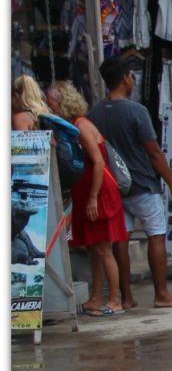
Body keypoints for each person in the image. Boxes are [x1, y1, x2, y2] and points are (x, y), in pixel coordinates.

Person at [88, 55, 172, 309]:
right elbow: (154, 152)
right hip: (143, 184)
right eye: (131, 76)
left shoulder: (94, 113)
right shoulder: (137, 111)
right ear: (125, 79)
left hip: (113, 187)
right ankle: (162, 294)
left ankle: (126, 296)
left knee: (120, 239)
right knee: (156, 235)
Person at [46, 80, 128, 316]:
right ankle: (95, 297)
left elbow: (99, 162)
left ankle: (114, 299)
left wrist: (92, 198)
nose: (49, 105)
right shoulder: (73, 126)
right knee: (93, 248)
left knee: (103, 248)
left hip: (98, 191)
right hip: (88, 190)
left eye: (52, 101)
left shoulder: (81, 125)